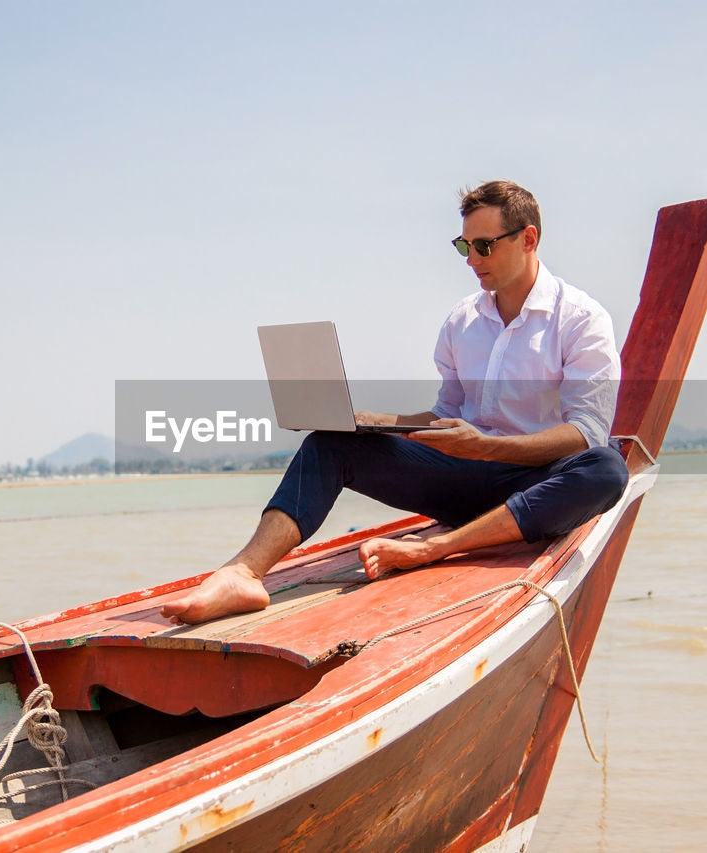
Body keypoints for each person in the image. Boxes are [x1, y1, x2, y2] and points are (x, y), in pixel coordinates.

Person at [160, 180, 629, 625]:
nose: (472, 260)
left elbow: (585, 432)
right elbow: (447, 415)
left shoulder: (581, 319)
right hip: (464, 479)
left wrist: (487, 447)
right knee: (330, 444)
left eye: (484, 246)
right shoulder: (463, 321)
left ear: (528, 238)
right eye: (465, 247)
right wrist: (381, 423)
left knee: (606, 469)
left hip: (537, 489)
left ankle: (433, 548)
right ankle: (242, 573)